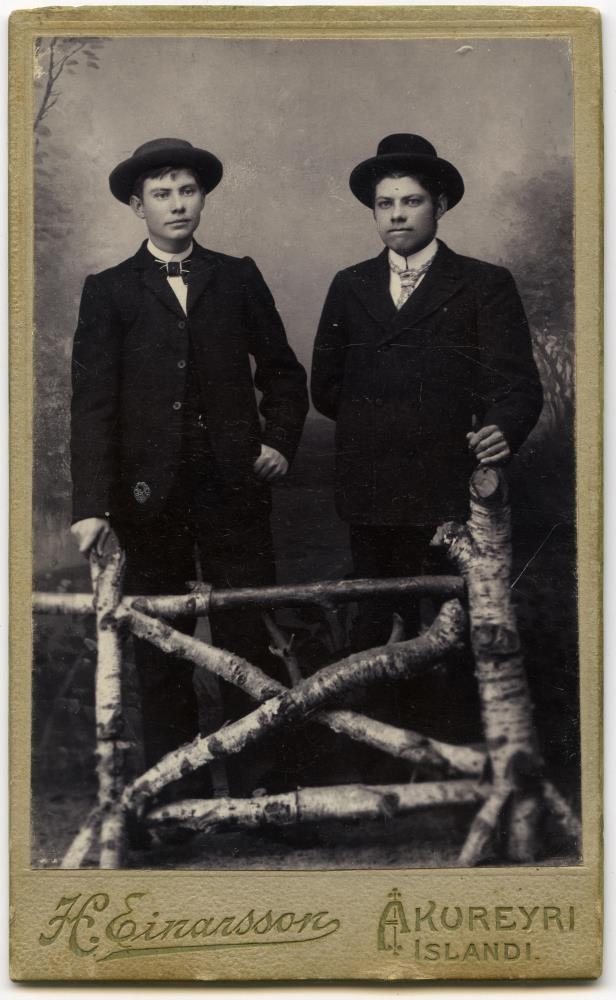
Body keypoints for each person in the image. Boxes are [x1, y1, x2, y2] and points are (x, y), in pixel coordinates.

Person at [70, 137, 308, 794]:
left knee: (248, 633)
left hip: (235, 489)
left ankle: (263, 790)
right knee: (160, 643)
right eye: (161, 194)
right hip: (147, 497)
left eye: (187, 191)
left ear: (202, 198)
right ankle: (174, 797)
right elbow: (92, 406)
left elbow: (284, 373)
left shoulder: (236, 276)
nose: (177, 204)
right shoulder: (109, 291)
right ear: (136, 206)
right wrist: (91, 505)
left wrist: (279, 442)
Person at [311, 133, 543, 745]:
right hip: (371, 487)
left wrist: (501, 429)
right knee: (376, 624)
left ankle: (459, 760)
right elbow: (326, 388)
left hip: (448, 485)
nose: (396, 216)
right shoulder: (350, 284)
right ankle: (380, 755)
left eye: (411, 202)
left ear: (439, 206)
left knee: (454, 623)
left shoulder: (483, 283)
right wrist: (380, 424)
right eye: (384, 204)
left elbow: (518, 386)